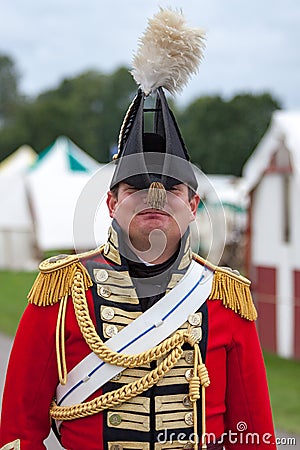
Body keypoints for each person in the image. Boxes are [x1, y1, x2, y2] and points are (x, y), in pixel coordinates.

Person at [0, 8, 276, 450]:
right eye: (136, 186)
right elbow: (18, 433)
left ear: (193, 203)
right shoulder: (60, 293)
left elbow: (254, 437)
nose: (154, 196)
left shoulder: (226, 299)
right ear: (111, 203)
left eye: (170, 186)